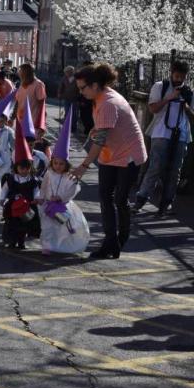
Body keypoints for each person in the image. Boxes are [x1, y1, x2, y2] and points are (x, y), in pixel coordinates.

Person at [71, 63, 147, 260]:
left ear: (95, 85)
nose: (80, 92)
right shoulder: (100, 97)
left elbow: (99, 141)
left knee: (120, 199)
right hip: (111, 154)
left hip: (129, 155)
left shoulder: (107, 102)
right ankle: (111, 242)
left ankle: (120, 239)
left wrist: (83, 166)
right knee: (105, 197)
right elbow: (103, 131)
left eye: (82, 88)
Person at [133, 60, 193, 217]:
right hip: (161, 133)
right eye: (177, 76)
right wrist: (170, 97)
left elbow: (192, 116)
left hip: (181, 135)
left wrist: (185, 106)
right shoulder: (160, 86)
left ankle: (166, 203)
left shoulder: (188, 91)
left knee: (175, 171)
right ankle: (141, 198)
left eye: (182, 77)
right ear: (171, 73)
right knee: (155, 167)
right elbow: (153, 108)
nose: (179, 79)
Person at [39, 158, 90, 255]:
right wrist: (41, 197)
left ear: (66, 164)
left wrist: (60, 197)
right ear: (52, 163)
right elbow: (44, 186)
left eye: (61, 164)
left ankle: (62, 245)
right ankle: (47, 246)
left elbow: (72, 190)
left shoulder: (70, 176)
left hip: (63, 206)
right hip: (49, 206)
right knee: (47, 227)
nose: (58, 166)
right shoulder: (49, 173)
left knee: (63, 228)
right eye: (55, 163)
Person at [0, 147, 41, 250]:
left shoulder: (33, 180)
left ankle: (21, 242)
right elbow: (5, 189)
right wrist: (2, 198)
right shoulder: (11, 178)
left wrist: (37, 198)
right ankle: (12, 241)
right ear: (16, 167)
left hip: (27, 207)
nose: (24, 171)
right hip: (13, 206)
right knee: (12, 224)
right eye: (22, 168)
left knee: (24, 225)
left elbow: (36, 191)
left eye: (27, 168)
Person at [14, 63, 47, 141]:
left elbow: (42, 105)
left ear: (25, 72)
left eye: (20, 71)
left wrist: (41, 125)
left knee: (31, 147)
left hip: (33, 122)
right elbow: (17, 102)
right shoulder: (22, 84)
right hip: (21, 121)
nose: (18, 73)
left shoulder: (38, 84)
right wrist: (13, 117)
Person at [0, 114, 15, 179]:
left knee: (4, 178)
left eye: (1, 121)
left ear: (5, 121)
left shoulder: (9, 131)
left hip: (5, 158)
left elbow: (13, 147)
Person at [58, 66, 80, 133]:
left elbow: (80, 88)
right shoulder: (64, 78)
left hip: (75, 98)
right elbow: (61, 86)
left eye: (67, 72)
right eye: (65, 72)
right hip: (67, 98)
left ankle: (73, 127)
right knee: (67, 113)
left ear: (71, 72)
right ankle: (67, 127)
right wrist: (59, 94)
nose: (66, 74)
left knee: (74, 114)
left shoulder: (77, 79)